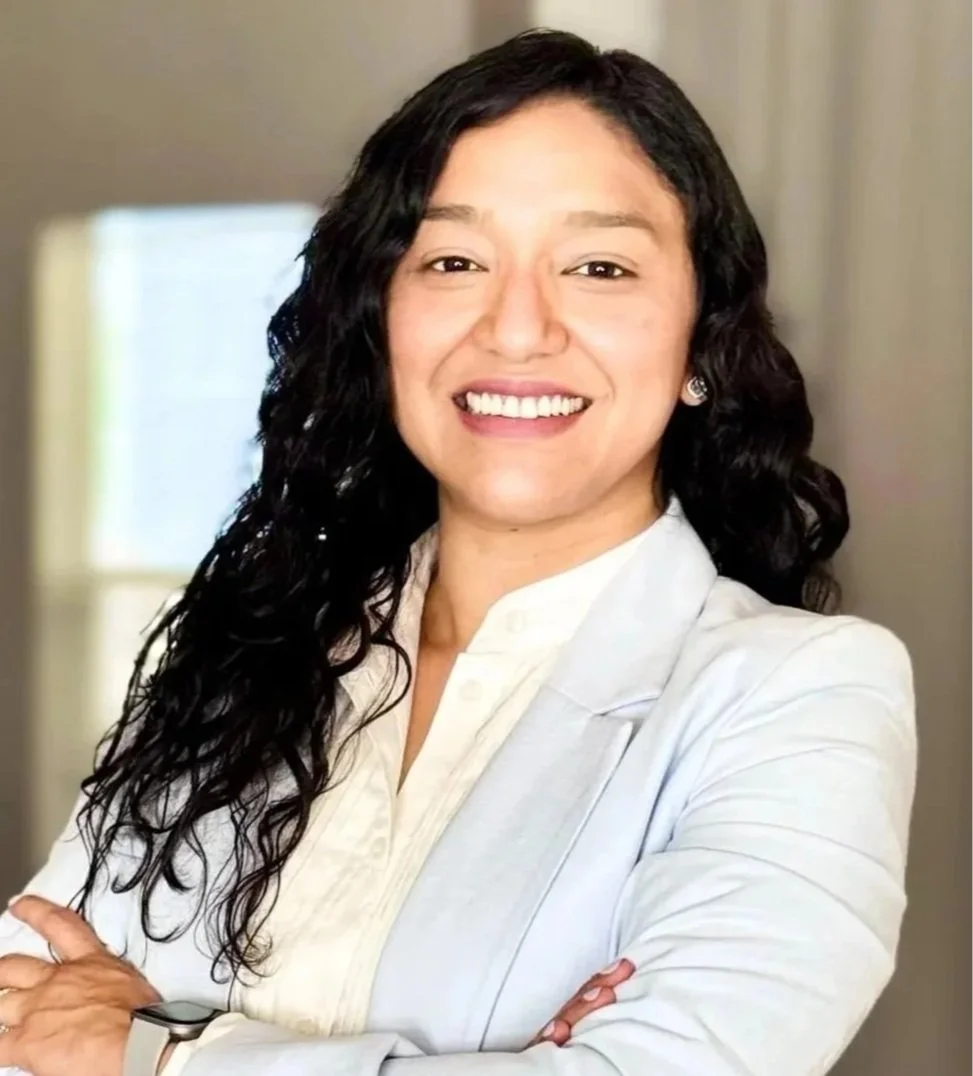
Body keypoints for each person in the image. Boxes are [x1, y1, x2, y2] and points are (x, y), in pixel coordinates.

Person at [0, 28, 916, 1076]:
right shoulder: (239, 660)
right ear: (381, 321)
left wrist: (161, 1049)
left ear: (699, 346)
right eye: (452, 260)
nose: (516, 327)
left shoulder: (796, 694)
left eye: (598, 265)